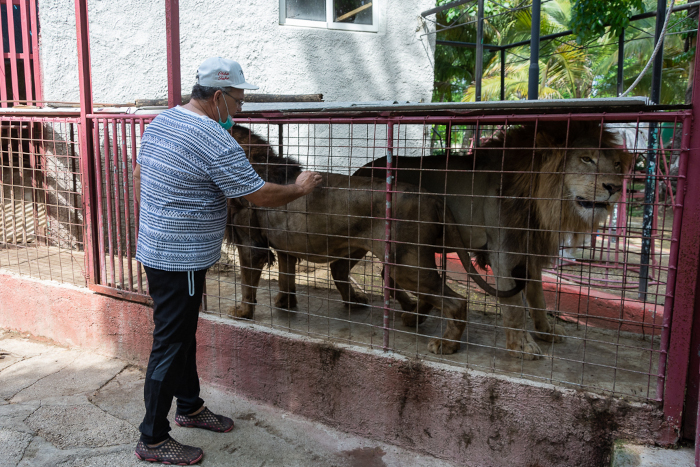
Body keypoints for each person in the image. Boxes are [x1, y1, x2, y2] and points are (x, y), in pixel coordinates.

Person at [132, 57, 322, 465]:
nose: (240, 110)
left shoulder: (163, 121)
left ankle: (190, 406)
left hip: (158, 247)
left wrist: (156, 216)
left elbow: (139, 174)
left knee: (181, 333)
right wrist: (300, 187)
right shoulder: (215, 138)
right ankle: (152, 437)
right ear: (217, 96)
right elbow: (258, 194)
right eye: (237, 100)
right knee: (169, 341)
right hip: (179, 256)